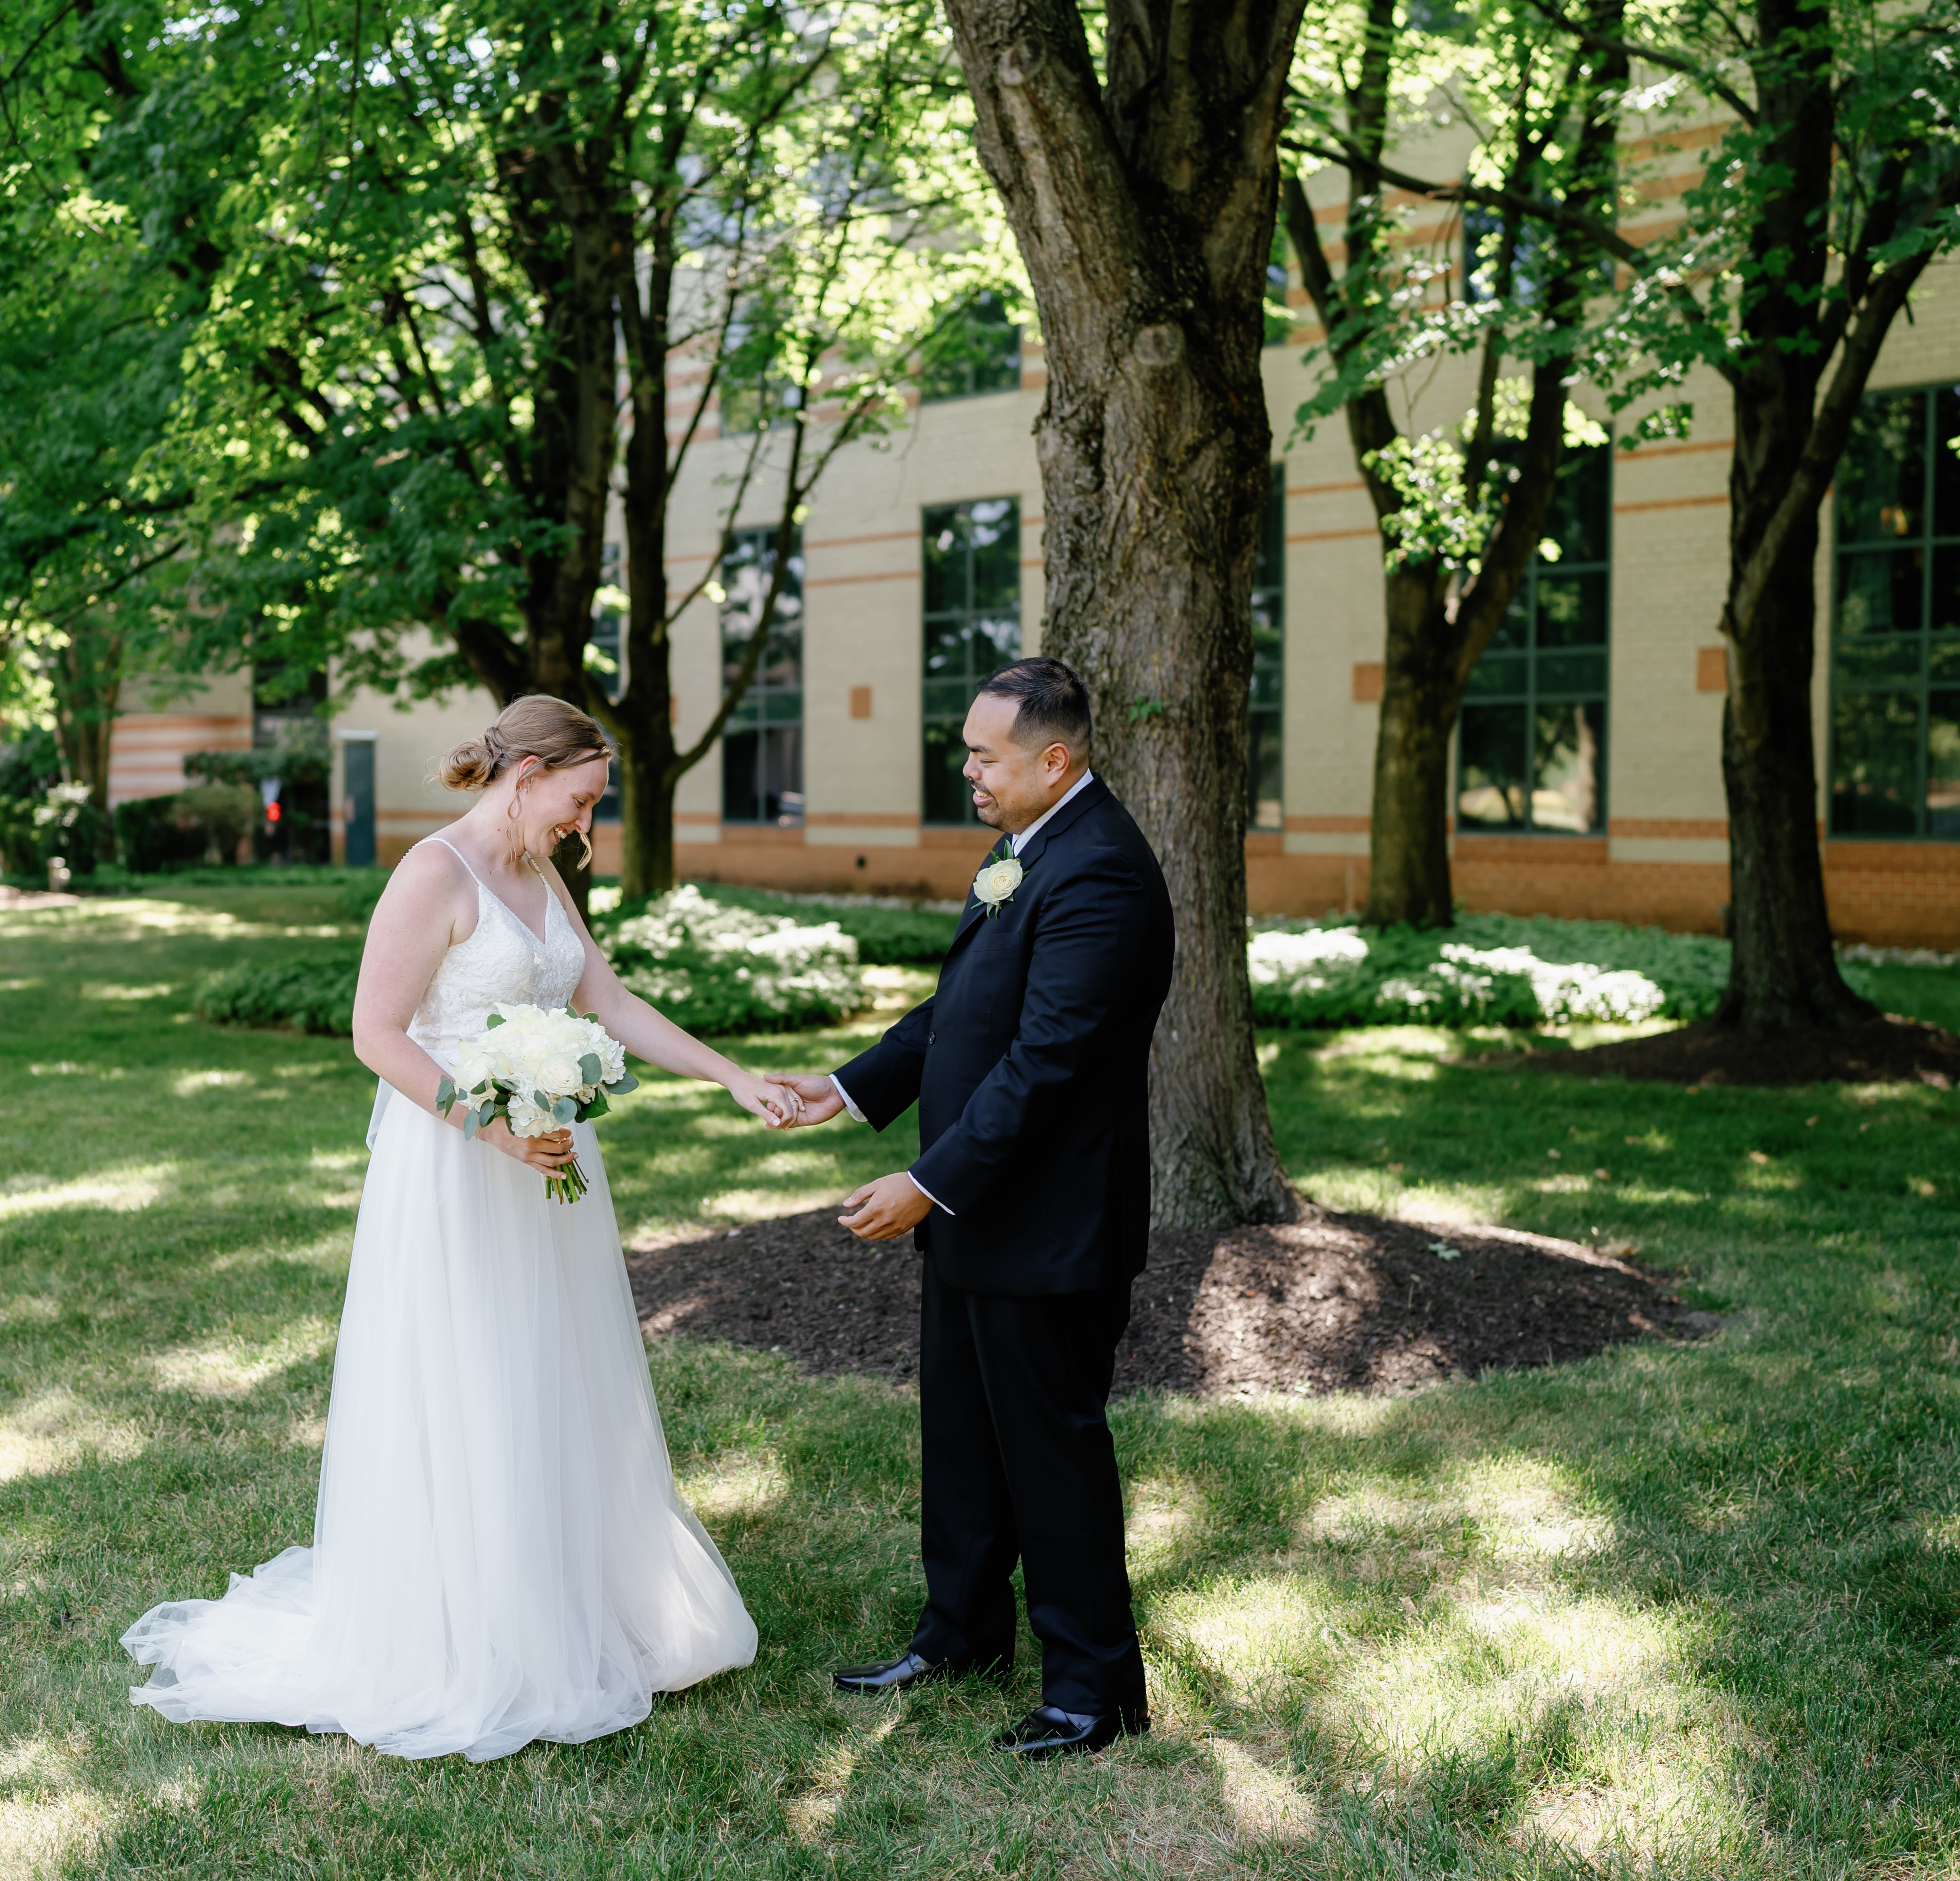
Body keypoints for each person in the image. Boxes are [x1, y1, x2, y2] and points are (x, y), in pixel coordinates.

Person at [121, 695, 782, 1762]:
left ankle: (565, 1601)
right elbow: (375, 1033)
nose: (583, 823)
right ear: (527, 772)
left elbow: (604, 999)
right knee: (474, 1375)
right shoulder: (434, 872)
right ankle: (467, 1628)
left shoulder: (540, 871)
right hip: (459, 1167)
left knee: (552, 1373)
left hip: (549, 1164)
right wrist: (494, 1129)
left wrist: (735, 1077)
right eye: (577, 799)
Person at [767, 656, 1174, 1759]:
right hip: (977, 1216)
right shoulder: (1023, 849)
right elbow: (966, 1006)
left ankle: (1095, 1691)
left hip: (1047, 1224)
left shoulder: (1101, 874)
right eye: (965, 750)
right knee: (960, 1436)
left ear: (1055, 758)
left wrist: (926, 1180)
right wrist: (851, 1084)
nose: (968, 771)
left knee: (1050, 1453)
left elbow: (1047, 1062)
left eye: (984, 755)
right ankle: (961, 1634)